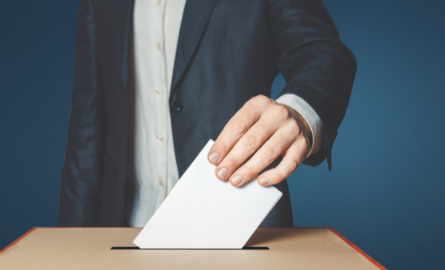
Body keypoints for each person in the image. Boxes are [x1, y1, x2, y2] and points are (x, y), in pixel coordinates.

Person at [58, 0, 356, 227]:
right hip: (125, 232)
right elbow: (87, 131)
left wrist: (299, 110)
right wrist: (69, 250)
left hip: (242, 231)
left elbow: (322, 51)